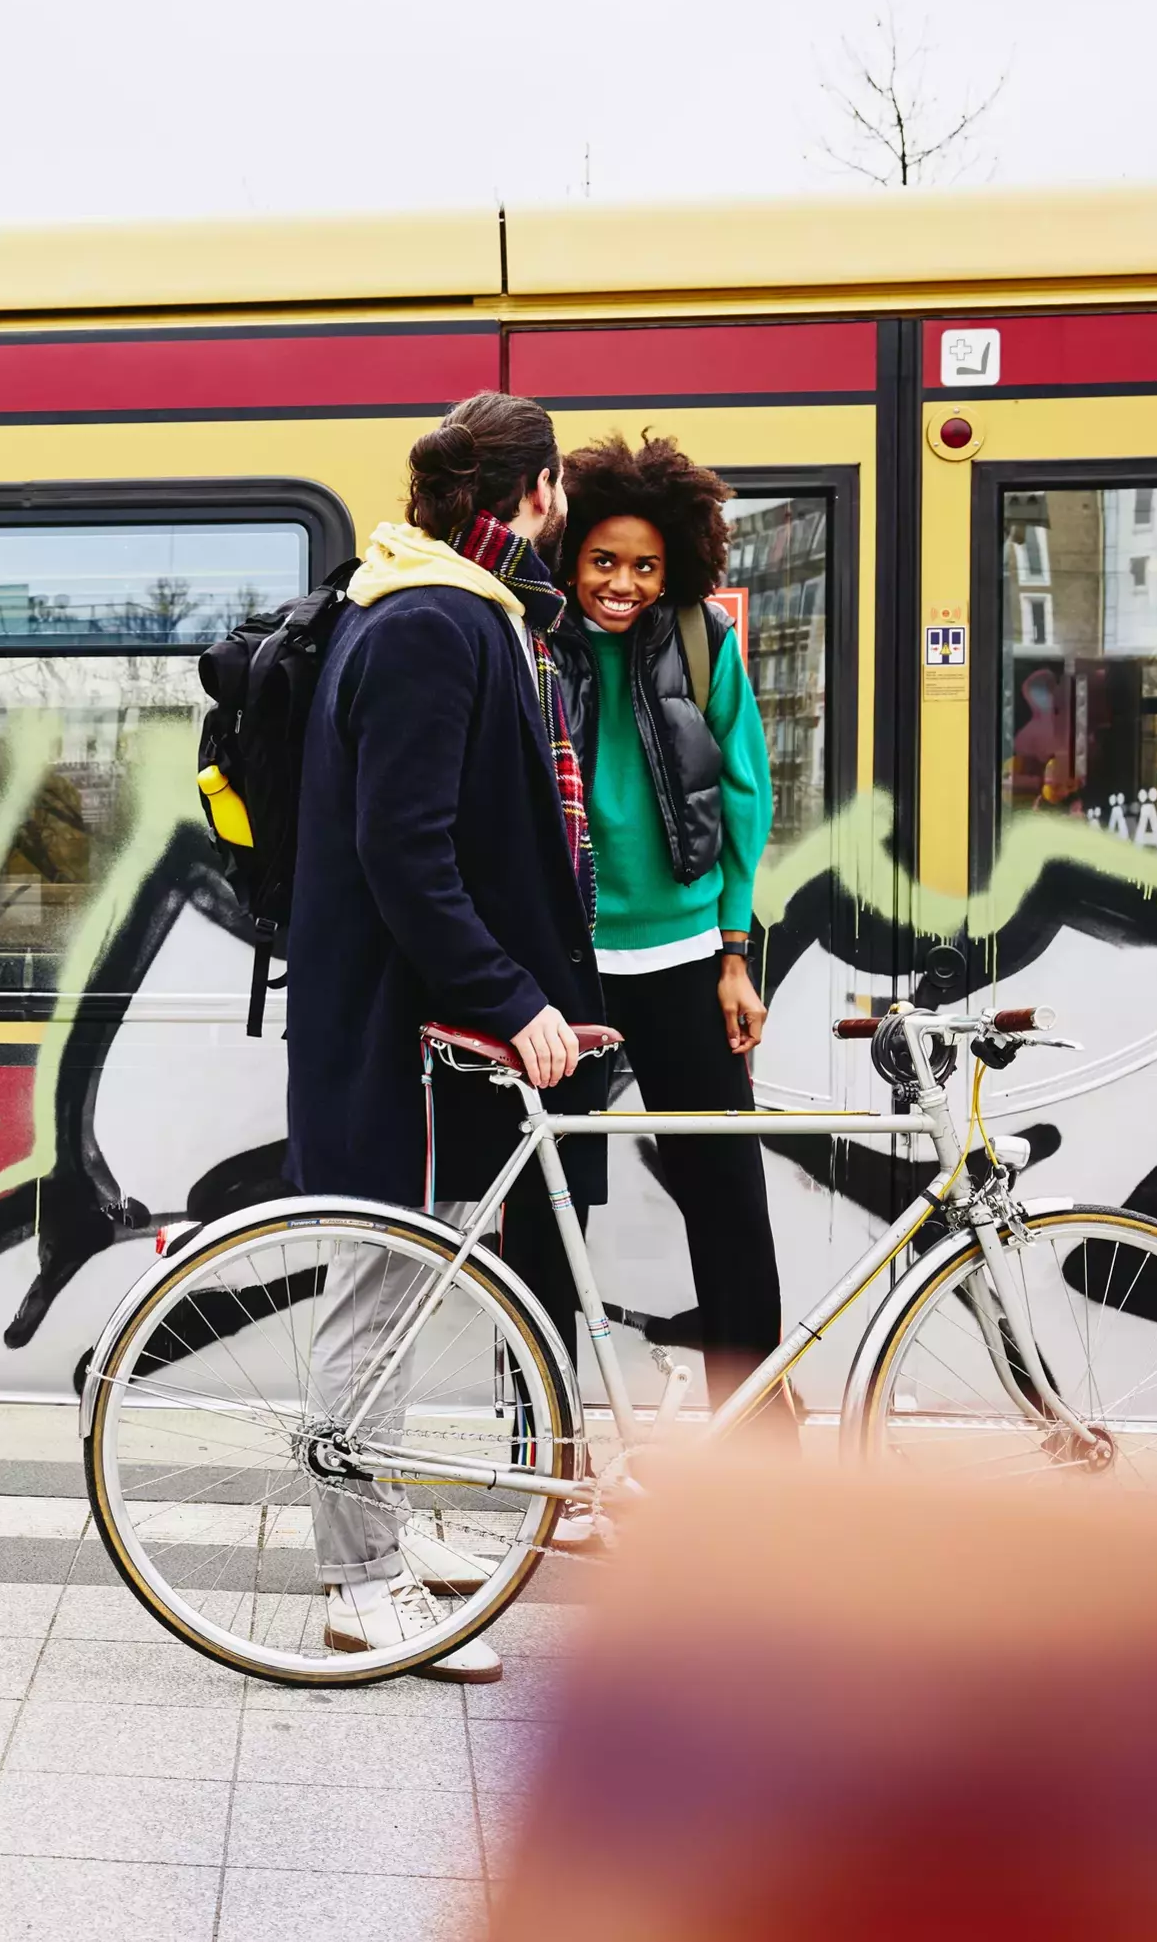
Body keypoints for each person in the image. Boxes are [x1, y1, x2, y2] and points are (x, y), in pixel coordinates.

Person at [287, 391, 610, 1682]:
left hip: (416, 1027)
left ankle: (386, 1530)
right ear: (533, 497)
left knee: (408, 1283)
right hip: (399, 1035)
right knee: (380, 1289)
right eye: (560, 492)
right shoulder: (432, 623)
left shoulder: (431, 607)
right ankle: (361, 1579)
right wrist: (514, 998)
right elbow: (405, 853)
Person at [547, 434, 783, 1414]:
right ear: (571, 556)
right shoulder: (533, 639)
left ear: (673, 565)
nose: (623, 583)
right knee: (552, 1209)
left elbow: (747, 797)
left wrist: (734, 953)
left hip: (686, 956)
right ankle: (544, 1438)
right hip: (566, 966)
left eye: (645, 565)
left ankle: (754, 1431)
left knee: (726, 1195)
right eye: (604, 560)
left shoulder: (701, 641)